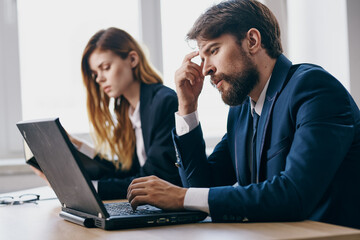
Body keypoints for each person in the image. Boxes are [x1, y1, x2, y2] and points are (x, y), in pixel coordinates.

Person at [127, 0, 360, 229]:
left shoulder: (313, 89)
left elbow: (295, 193)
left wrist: (181, 197)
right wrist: (187, 107)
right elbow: (202, 186)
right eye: (202, 56)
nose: (205, 68)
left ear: (252, 41)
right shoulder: (241, 112)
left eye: (214, 50)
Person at [32, 27, 181, 200]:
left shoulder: (164, 101)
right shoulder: (129, 110)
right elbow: (129, 172)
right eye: (95, 73)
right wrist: (77, 145)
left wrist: (82, 190)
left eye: (105, 67)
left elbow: (153, 179)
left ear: (132, 59)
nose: (99, 79)